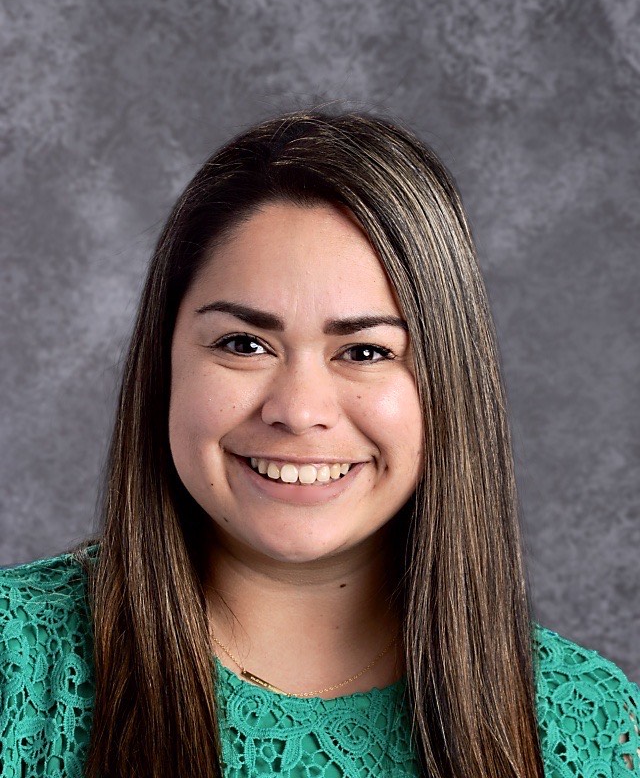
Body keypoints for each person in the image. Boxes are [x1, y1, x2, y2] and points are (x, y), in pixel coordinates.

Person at [0, 110, 637, 778]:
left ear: (449, 381)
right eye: (244, 344)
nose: (299, 411)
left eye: (365, 350)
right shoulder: (18, 663)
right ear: (164, 366)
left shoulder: (589, 729)